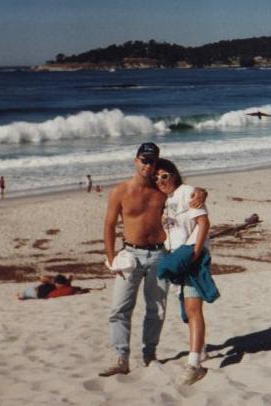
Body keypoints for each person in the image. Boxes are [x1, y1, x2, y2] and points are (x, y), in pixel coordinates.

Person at [99, 142, 207, 377]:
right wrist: (111, 258)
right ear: (135, 160)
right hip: (130, 255)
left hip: (160, 254)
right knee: (120, 308)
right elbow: (108, 225)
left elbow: (182, 190)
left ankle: (149, 355)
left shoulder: (161, 188)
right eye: (144, 160)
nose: (148, 166)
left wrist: (201, 191)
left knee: (156, 309)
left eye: (152, 161)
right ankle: (121, 358)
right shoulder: (120, 191)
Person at [155, 158, 212, 386]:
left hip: (190, 256)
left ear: (174, 175)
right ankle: (202, 348)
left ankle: (194, 364)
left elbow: (204, 223)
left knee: (193, 307)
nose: (160, 181)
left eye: (164, 176)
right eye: (156, 178)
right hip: (174, 259)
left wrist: (195, 253)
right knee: (187, 310)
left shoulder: (188, 192)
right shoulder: (163, 200)